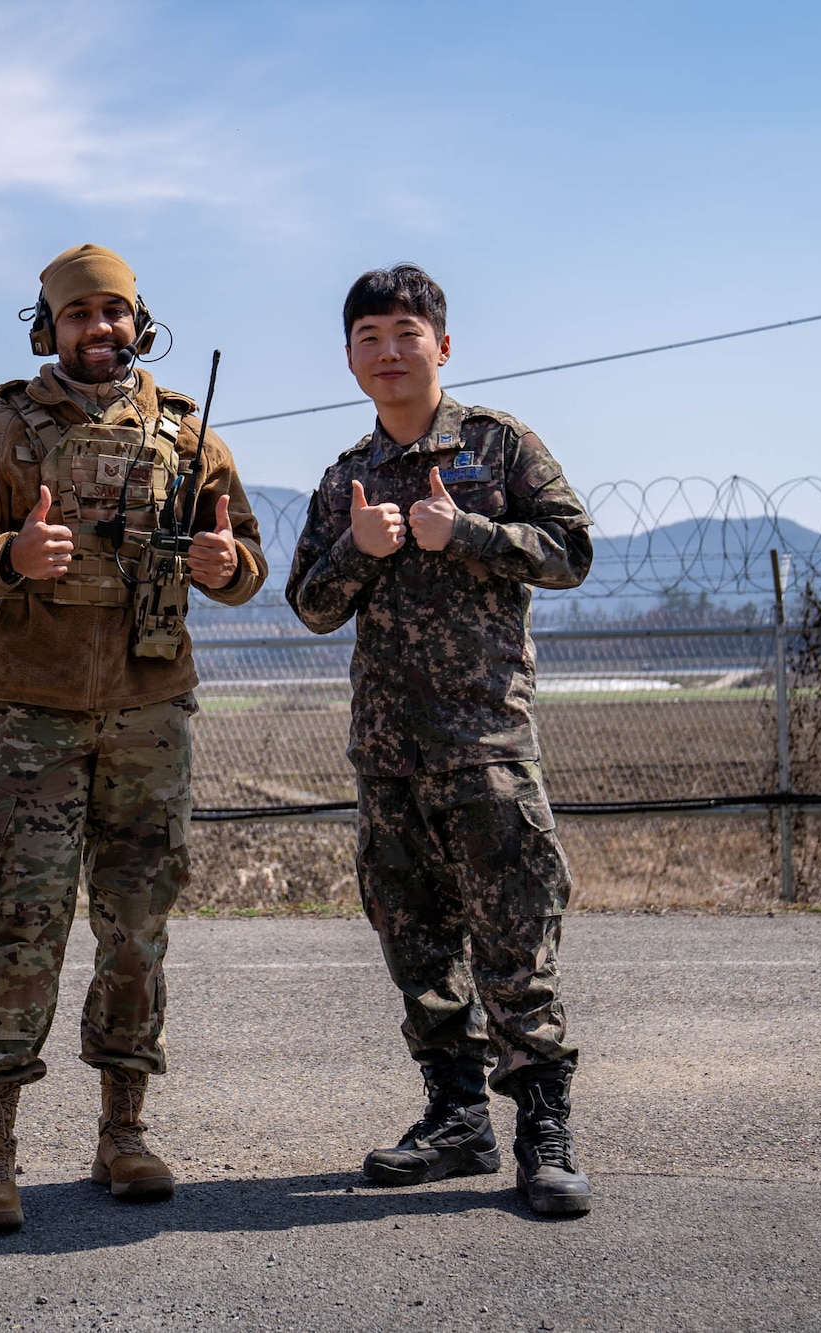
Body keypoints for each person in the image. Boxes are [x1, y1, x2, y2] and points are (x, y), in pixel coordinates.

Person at [0, 243, 267, 1232]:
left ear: (138, 322)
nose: (97, 329)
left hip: (151, 712)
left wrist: (219, 561)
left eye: (113, 312)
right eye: (78, 315)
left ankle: (123, 1132)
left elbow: (246, 562)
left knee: (135, 925)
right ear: (47, 328)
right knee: (21, 921)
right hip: (33, 712)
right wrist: (9, 555)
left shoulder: (189, 438)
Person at [283, 264, 596, 1216]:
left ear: (442, 346)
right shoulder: (345, 478)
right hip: (388, 753)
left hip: (485, 739)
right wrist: (356, 550)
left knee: (515, 937)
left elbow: (572, 548)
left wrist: (466, 532)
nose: (388, 350)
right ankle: (457, 1116)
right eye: (368, 336)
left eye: (405, 333)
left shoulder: (499, 448)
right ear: (349, 357)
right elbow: (309, 605)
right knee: (416, 943)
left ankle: (544, 1126)